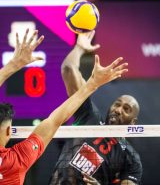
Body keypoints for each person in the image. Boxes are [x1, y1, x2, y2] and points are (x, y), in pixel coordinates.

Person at [0, 29, 128, 185]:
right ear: (8, 132)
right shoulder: (17, 159)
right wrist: (92, 84)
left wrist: (13, 64)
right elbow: (54, 121)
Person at [49, 31, 142, 185]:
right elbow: (68, 69)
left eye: (126, 109)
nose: (118, 110)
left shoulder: (131, 158)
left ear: (133, 122)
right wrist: (79, 47)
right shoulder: (89, 115)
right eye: (117, 104)